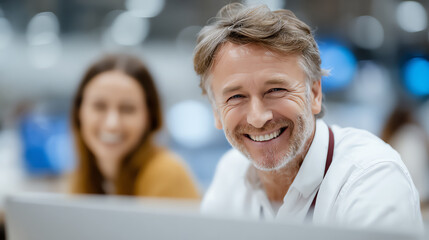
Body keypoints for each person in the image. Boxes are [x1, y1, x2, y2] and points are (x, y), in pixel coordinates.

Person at [193, 3, 423, 232]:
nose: (258, 118)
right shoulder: (231, 172)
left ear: (314, 94)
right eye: (236, 96)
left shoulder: (371, 177)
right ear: (216, 111)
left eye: (275, 90)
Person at [70, 54, 200, 199]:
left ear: (150, 118)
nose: (112, 124)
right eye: (99, 106)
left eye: (127, 109)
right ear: (78, 113)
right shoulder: (80, 179)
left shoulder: (166, 173)